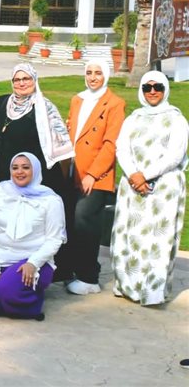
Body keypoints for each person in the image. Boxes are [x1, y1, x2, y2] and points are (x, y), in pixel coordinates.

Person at [111, 71, 187, 307]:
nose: (152, 91)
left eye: (158, 87)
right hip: (133, 186)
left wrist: (145, 175)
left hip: (164, 188)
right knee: (130, 235)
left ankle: (152, 291)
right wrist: (134, 175)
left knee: (158, 239)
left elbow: (175, 155)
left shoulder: (177, 119)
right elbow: (121, 148)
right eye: (147, 87)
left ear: (165, 90)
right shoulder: (133, 118)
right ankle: (128, 285)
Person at [0, 152, 65, 320]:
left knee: (5, 290)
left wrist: (33, 263)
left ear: (35, 170)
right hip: (2, 258)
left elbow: (54, 239)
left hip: (34, 262)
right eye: (15, 167)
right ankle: (13, 298)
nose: (19, 172)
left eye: (26, 167)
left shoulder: (50, 200)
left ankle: (31, 304)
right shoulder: (0, 191)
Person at [62, 58, 124, 296]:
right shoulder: (77, 99)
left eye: (98, 72)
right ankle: (70, 270)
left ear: (106, 75)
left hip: (96, 175)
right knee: (69, 220)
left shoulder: (115, 103)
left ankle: (89, 277)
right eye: (89, 72)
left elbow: (111, 144)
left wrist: (92, 174)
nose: (93, 77)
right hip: (73, 170)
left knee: (85, 220)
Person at [0, 64, 73, 196]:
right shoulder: (2, 102)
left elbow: (64, 150)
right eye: (17, 80)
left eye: (26, 78)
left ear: (34, 80)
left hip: (29, 181)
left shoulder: (45, 108)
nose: (21, 83)